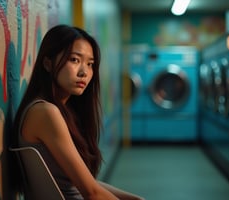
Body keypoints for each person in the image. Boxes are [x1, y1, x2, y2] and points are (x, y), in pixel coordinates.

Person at [11, 24, 144, 200]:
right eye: (74, 60)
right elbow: (91, 193)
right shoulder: (45, 112)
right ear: (48, 63)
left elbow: (81, 184)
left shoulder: (61, 110)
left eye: (90, 64)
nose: (85, 72)